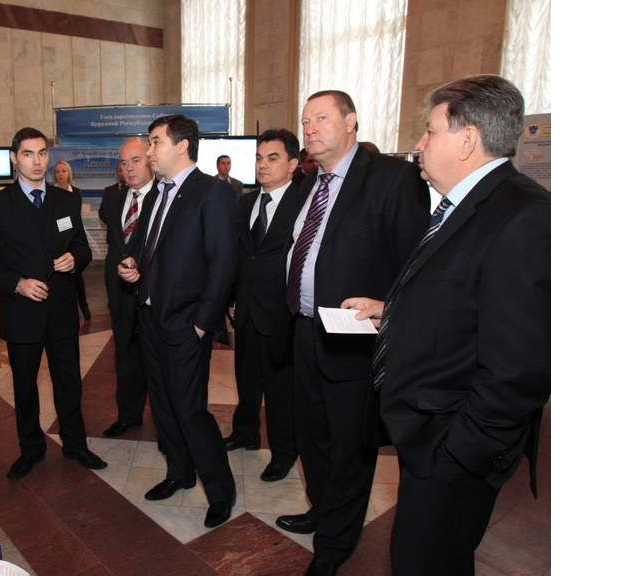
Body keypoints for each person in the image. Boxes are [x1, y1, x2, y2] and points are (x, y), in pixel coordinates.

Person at [342, 75, 551, 576]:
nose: (419, 143)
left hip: (452, 449)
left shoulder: (523, 216)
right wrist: (392, 309)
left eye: (430, 130)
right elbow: (465, 298)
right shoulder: (469, 204)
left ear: (467, 140)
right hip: (431, 437)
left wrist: (456, 453)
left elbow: (519, 368)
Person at [275, 91, 430, 576]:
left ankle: (335, 544)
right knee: (312, 438)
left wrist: (390, 317)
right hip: (304, 330)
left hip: (355, 337)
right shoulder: (308, 184)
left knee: (349, 448)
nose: (310, 128)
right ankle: (323, 511)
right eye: (305, 121)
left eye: (321, 118)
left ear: (351, 122)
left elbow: (413, 266)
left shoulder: (391, 178)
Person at [117, 114, 239, 529]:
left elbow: (224, 262)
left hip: (187, 324)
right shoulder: (157, 193)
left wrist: (202, 323)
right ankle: (179, 472)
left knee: (190, 410)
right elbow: (146, 248)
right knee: (163, 406)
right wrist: (132, 265)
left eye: (156, 142)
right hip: (150, 317)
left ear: (183, 145)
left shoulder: (212, 192)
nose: (149, 151)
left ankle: (220, 491)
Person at [0, 127, 106, 480]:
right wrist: (16, 283)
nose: (37, 161)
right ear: (14, 158)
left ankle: (75, 443)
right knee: (25, 387)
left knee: (69, 383)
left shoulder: (65, 200)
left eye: (42, 153)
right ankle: (31, 449)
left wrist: (74, 260)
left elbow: (81, 246)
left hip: (61, 311)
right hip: (22, 313)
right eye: (28, 154)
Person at [224, 128, 301, 482]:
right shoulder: (245, 202)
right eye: (259, 158)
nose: (263, 165)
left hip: (281, 312)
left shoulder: (303, 203)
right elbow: (241, 256)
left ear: (293, 164)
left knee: (280, 387)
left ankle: (284, 452)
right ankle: (245, 433)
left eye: (273, 158)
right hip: (246, 309)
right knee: (246, 378)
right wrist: (231, 300)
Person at [97, 137, 153, 438]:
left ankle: (166, 423)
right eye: (124, 162)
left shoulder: (164, 198)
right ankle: (128, 415)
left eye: (136, 161)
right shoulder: (114, 200)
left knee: (156, 361)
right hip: (119, 294)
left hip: (151, 295)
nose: (129, 168)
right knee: (125, 358)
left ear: (150, 160)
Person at [53, 160, 91, 321]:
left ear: (69, 173)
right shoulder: (50, 192)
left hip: (72, 238)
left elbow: (76, 218)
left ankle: (84, 306)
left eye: (63, 171)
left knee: (77, 275)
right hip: (56, 240)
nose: (60, 174)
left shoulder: (76, 192)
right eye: (57, 171)